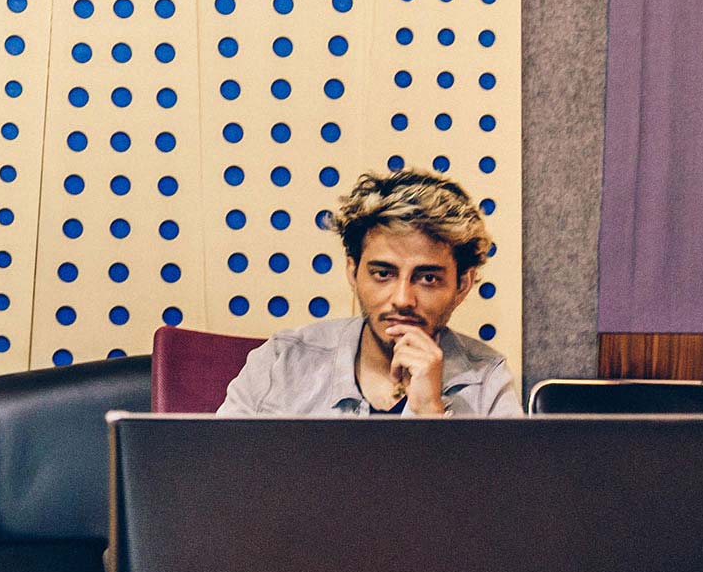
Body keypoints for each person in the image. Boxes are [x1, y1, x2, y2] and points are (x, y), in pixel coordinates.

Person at [219, 167, 519, 417]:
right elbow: (215, 478)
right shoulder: (281, 362)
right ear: (353, 273)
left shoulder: (487, 381)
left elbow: (504, 490)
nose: (402, 299)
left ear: (461, 286)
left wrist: (430, 413)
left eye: (428, 278)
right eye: (383, 274)